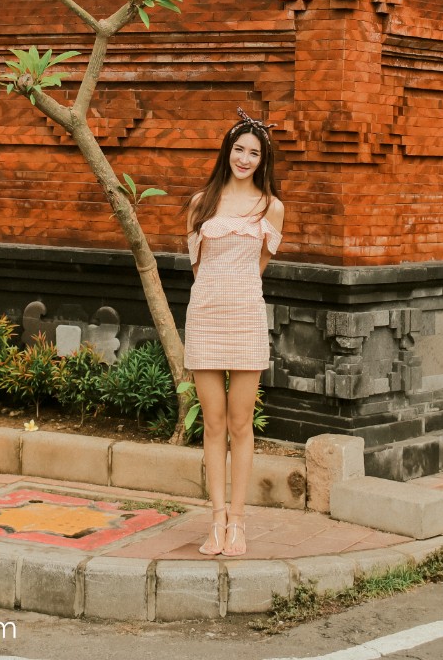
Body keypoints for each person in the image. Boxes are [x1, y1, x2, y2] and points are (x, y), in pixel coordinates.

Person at [183, 108, 284, 558]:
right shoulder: (201, 203)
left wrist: (237, 293)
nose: (244, 158)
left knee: (241, 424)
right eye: (239, 149)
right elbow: (198, 268)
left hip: (245, 318)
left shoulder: (271, 207)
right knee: (213, 424)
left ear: (264, 160)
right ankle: (217, 521)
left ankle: (239, 523)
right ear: (227, 151)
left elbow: (258, 268)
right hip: (205, 317)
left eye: (254, 153)